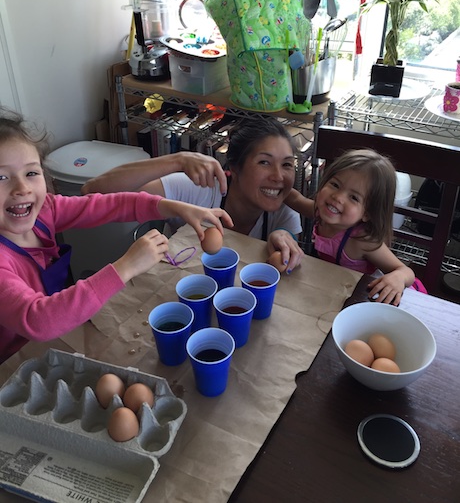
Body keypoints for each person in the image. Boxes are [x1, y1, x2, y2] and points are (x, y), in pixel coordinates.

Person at [0, 108, 232, 363]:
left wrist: (173, 206)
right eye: (2, 177)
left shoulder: (46, 210)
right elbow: (39, 320)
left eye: (31, 173)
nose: (22, 188)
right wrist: (125, 267)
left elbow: (109, 205)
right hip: (10, 367)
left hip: (50, 344)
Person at [83, 117, 305, 272]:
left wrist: (285, 238)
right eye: (264, 162)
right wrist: (177, 160)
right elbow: (93, 191)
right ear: (235, 168)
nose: (279, 177)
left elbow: (287, 255)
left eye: (287, 164)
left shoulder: (283, 211)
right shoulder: (199, 189)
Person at [285, 148, 420, 306]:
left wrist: (398, 278)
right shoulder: (320, 212)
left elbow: (405, 271)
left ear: (367, 213)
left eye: (354, 197)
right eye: (335, 185)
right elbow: (295, 199)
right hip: (336, 289)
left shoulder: (361, 240)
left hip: (381, 298)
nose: (338, 197)